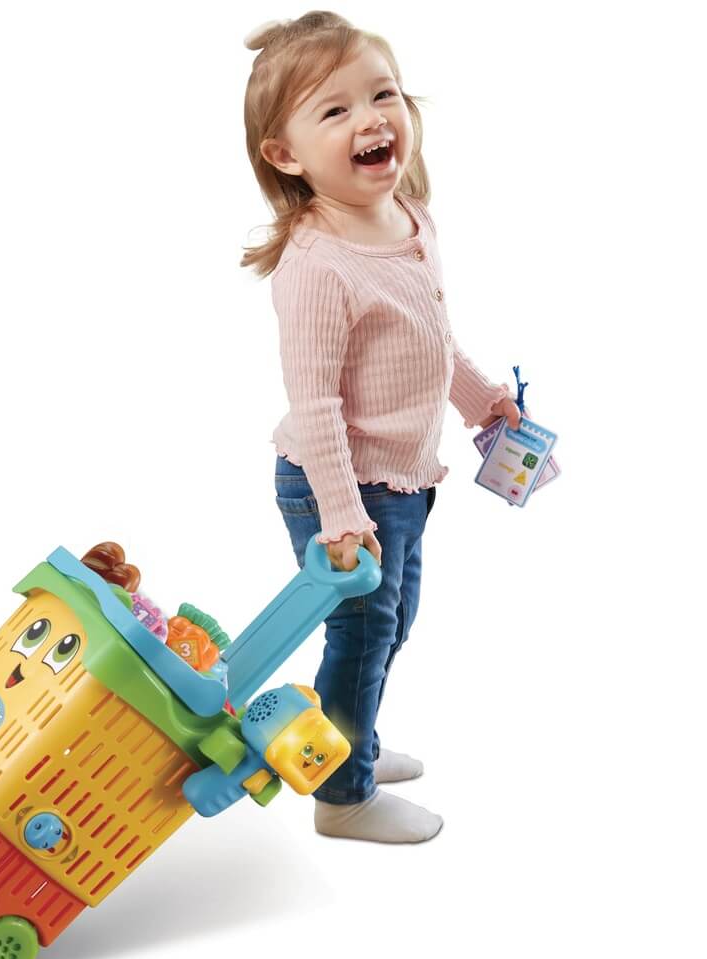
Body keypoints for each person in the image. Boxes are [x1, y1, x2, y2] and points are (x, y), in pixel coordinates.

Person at [241, 11, 522, 843]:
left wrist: (480, 401)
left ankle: (350, 742)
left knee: (391, 623)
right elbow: (317, 404)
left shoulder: (409, 218)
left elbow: (430, 337)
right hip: (341, 486)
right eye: (335, 110)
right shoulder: (317, 265)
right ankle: (343, 795)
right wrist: (340, 515)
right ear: (286, 155)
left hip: (402, 479)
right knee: (363, 634)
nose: (370, 119)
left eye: (382, 95)